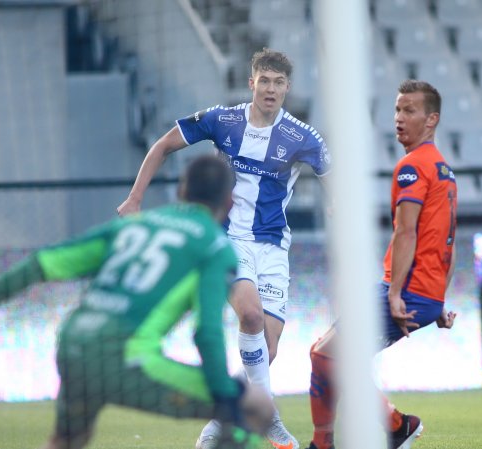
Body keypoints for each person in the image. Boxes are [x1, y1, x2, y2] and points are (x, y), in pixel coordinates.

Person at [0, 155, 275, 449]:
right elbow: (207, 333)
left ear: (182, 190)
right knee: (255, 407)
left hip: (73, 342)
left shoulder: (134, 226)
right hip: (123, 358)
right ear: (229, 203)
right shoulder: (215, 248)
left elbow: (42, 263)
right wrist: (227, 400)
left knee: (66, 442)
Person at [117, 48, 330, 449]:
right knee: (249, 315)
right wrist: (135, 199)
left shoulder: (302, 137)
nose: (270, 89)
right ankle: (270, 418)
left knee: (266, 349)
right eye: (263, 80)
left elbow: (332, 179)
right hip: (229, 240)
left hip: (274, 248)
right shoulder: (223, 120)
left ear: (287, 88)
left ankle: (224, 415)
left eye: (278, 82)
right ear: (252, 83)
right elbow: (164, 144)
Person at [307, 80, 458, 449]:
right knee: (333, 355)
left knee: (326, 353)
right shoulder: (444, 170)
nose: (399, 118)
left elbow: (407, 233)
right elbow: (446, 239)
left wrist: (394, 294)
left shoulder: (412, 167)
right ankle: (341, 438)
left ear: (431, 119)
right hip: (424, 294)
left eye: (410, 110)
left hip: (405, 291)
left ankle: (392, 426)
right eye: (397, 110)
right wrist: (437, 302)